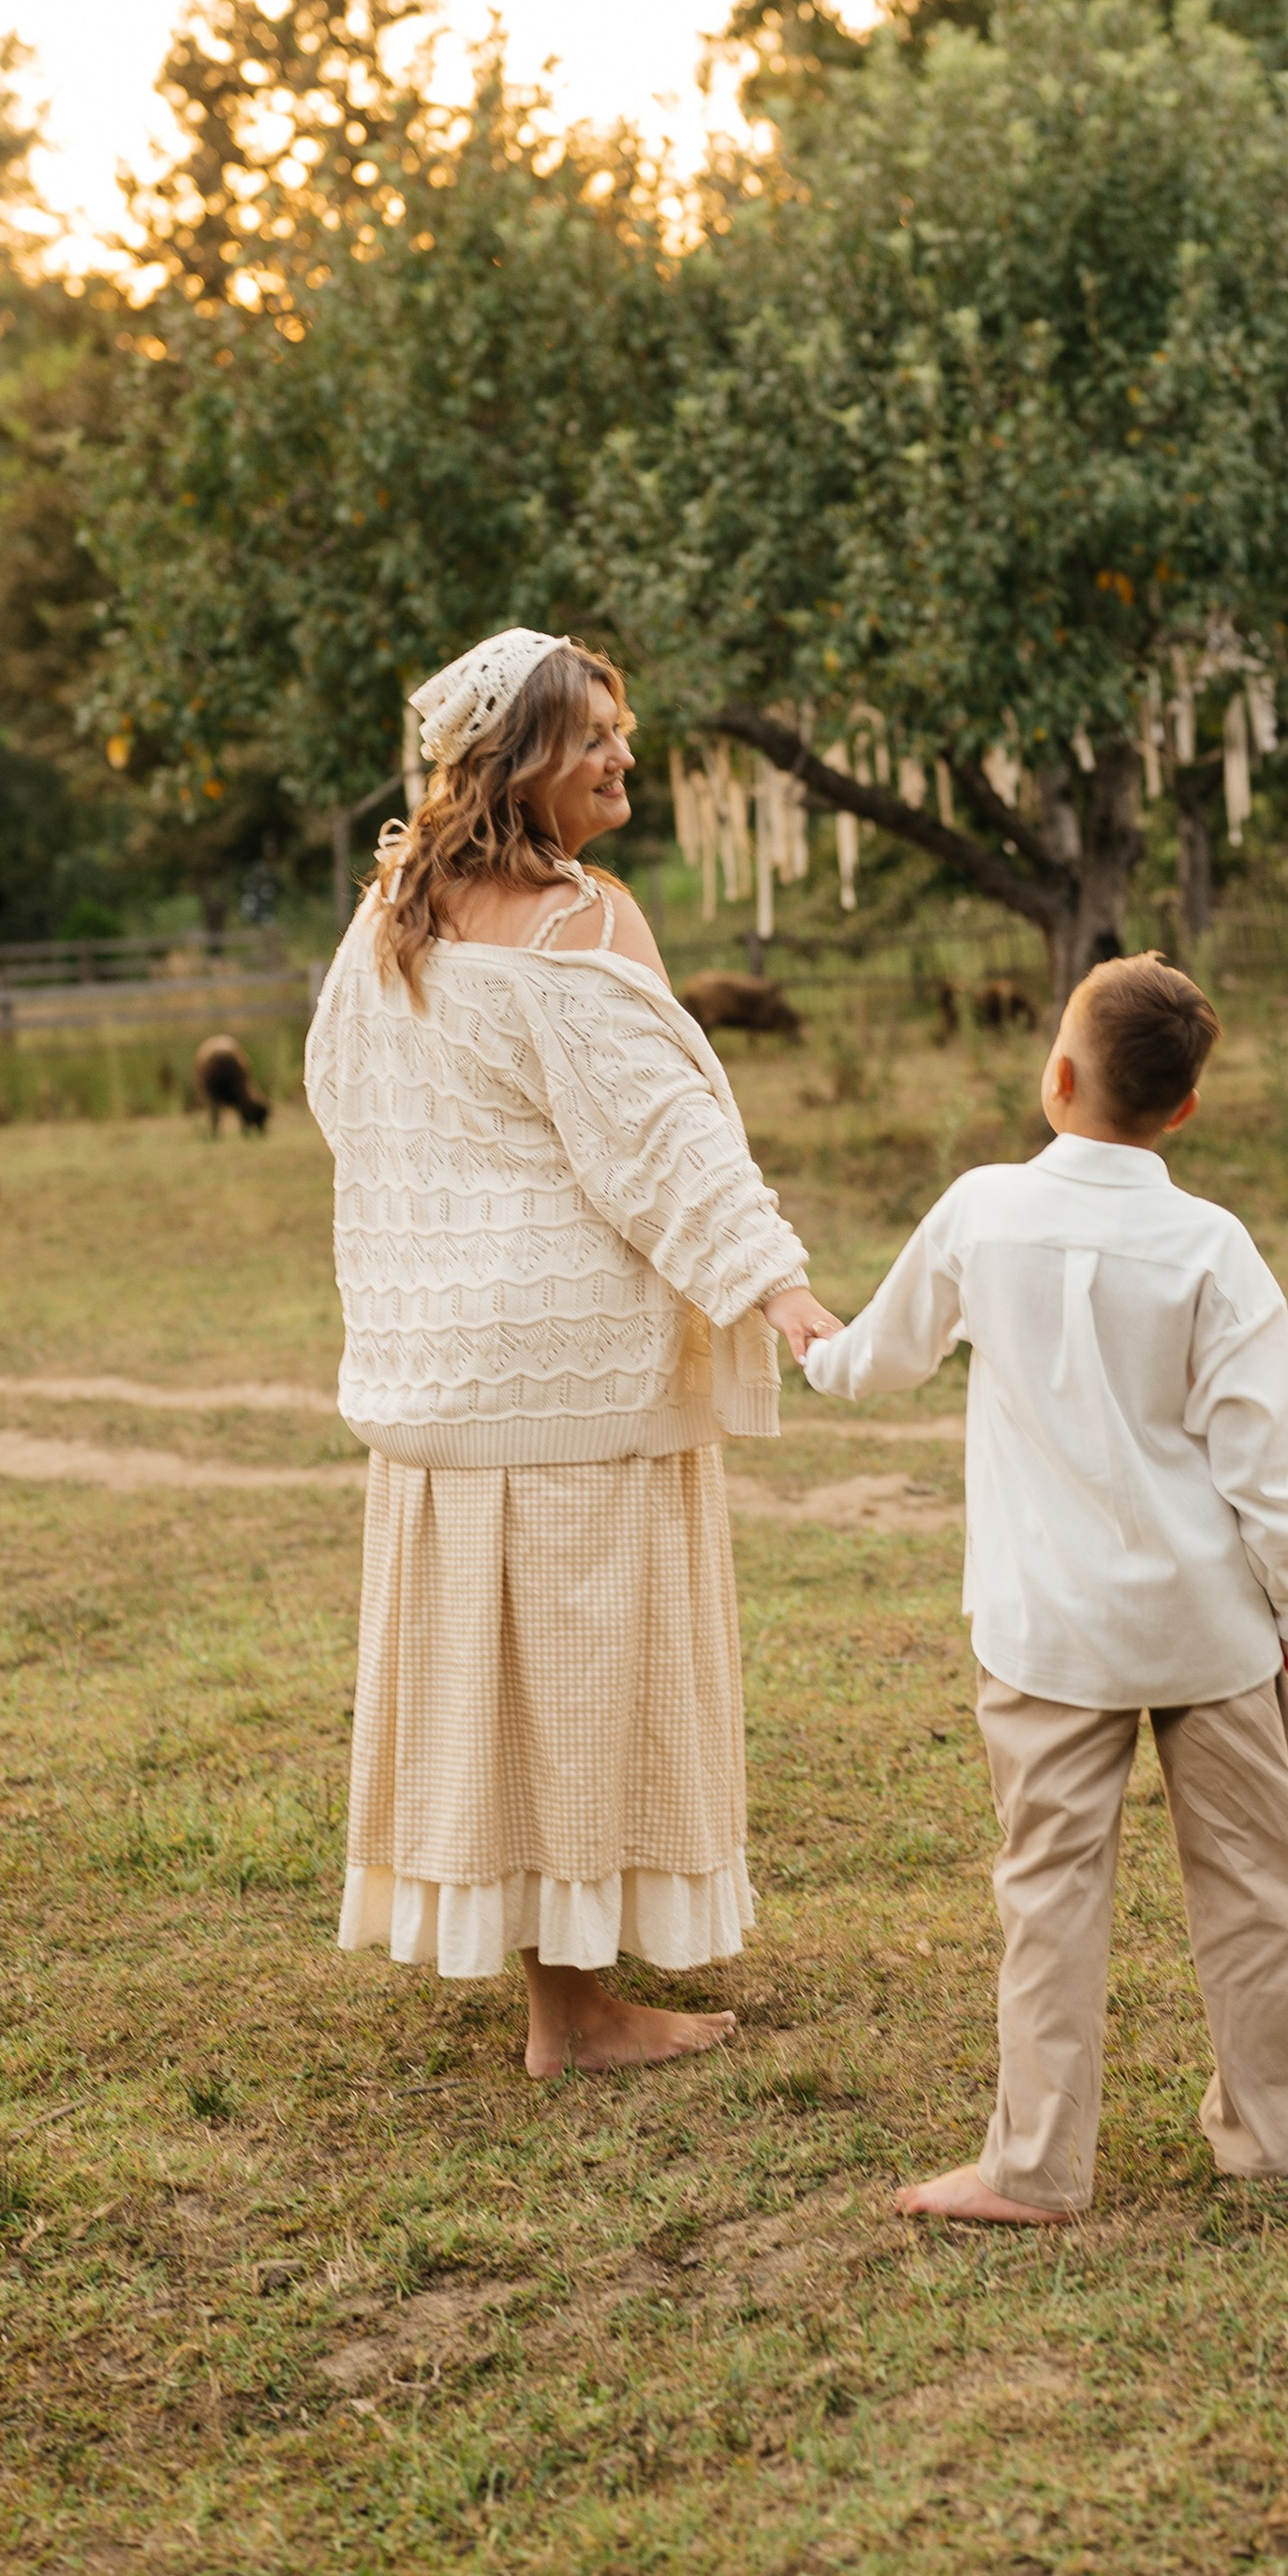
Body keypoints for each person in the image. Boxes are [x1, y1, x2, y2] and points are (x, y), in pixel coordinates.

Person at [304, 628, 840, 2078]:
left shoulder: (391, 914)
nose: (624, 754)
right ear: (522, 757)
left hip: (448, 1365)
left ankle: (564, 1989)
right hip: (574, 1369)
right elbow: (664, 1142)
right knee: (585, 1679)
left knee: (504, 1691)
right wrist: (778, 1288)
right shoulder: (581, 920)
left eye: (622, 728)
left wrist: (455, 1233)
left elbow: (343, 1096)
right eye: (595, 734)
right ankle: (579, 2015)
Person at [803, 951, 1288, 2222]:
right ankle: (1265, 2138)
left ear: (1057, 1078)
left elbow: (876, 1360)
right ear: (1183, 1109)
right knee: (1260, 1887)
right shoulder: (1216, 1248)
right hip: (1210, 1628)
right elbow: (1264, 1467)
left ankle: (1035, 2165)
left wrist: (807, 1337)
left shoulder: (981, 1212)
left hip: (1048, 1633)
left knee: (1049, 1890)